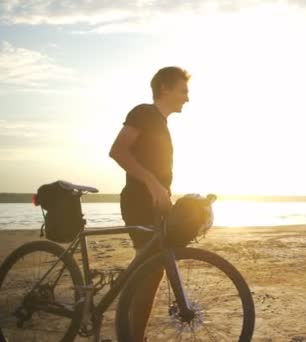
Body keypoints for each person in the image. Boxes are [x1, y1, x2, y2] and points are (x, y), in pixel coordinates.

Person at [109, 66, 190, 341]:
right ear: (165, 88)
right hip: (137, 201)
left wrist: (165, 192)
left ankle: (133, 335)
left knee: (153, 270)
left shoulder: (160, 122)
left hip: (154, 203)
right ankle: (131, 337)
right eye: (183, 90)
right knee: (150, 269)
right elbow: (118, 151)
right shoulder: (144, 112)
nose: (187, 98)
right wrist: (153, 183)